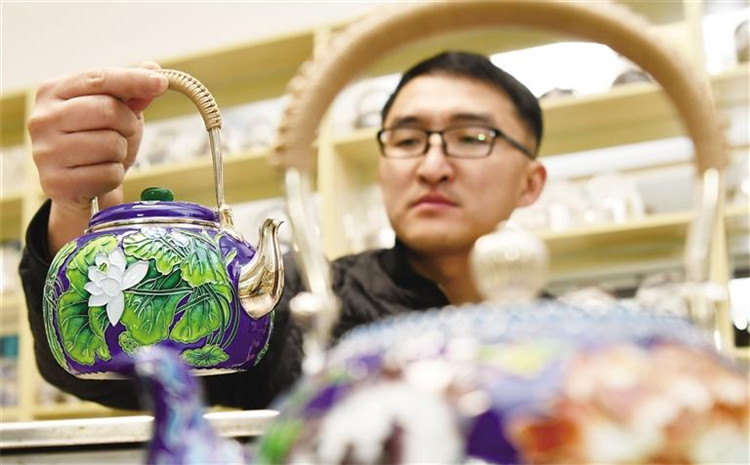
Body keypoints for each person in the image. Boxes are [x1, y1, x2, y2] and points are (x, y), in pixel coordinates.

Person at [20, 51, 546, 410]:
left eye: (471, 137)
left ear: (530, 183)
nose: (432, 166)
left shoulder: (576, 336)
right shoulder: (303, 300)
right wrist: (76, 205)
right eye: (408, 140)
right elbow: (107, 375)